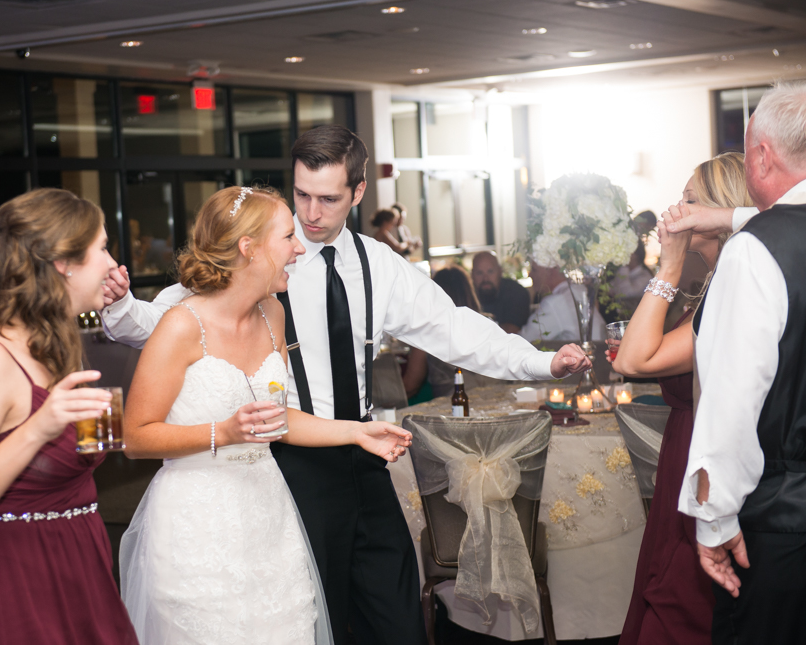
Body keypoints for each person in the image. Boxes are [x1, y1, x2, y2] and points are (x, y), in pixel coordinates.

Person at [100, 124, 590, 645]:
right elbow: (165, 322)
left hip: (361, 454)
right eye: (302, 196)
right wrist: (119, 306)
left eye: (328, 199)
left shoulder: (377, 265)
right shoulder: (256, 261)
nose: (311, 215)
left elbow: (456, 329)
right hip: (286, 461)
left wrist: (541, 362)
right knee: (313, 615)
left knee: (398, 617)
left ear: (357, 193)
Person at [118, 185, 412, 645]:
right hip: (197, 523)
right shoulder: (180, 325)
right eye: (288, 237)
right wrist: (226, 431)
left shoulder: (273, 313)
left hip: (269, 515)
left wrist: (358, 433)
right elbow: (135, 438)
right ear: (248, 248)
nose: (299, 248)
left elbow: (278, 419)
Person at [0, 189, 138, 644]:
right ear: (63, 263)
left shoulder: (58, 347)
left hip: (80, 566)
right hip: (11, 582)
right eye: (101, 248)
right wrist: (36, 431)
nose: (110, 263)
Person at [676, 82, 806, 644]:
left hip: (783, 521)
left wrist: (714, 521)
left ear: (760, 155)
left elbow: (732, 399)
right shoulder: (760, 238)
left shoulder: (757, 251)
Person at [610, 152, 754, 645]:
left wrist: (668, 265)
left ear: (720, 215)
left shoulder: (735, 290)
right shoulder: (712, 283)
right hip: (684, 462)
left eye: (691, 201)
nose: (676, 209)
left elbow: (632, 360)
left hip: (710, 473)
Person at [403, 265, 482, 401]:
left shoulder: (429, 331)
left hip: (452, 409)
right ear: (469, 292)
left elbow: (410, 386)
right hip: (496, 402)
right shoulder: (486, 323)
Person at [519, 262, 606, 342]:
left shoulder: (555, 302)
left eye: (534, 270)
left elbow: (524, 341)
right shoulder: (580, 290)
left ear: (551, 271)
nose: (530, 274)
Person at [472, 251, 530, 333]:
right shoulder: (467, 295)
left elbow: (512, 330)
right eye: (479, 273)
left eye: (490, 271)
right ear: (472, 275)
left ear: (500, 271)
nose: (485, 278)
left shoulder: (516, 292)